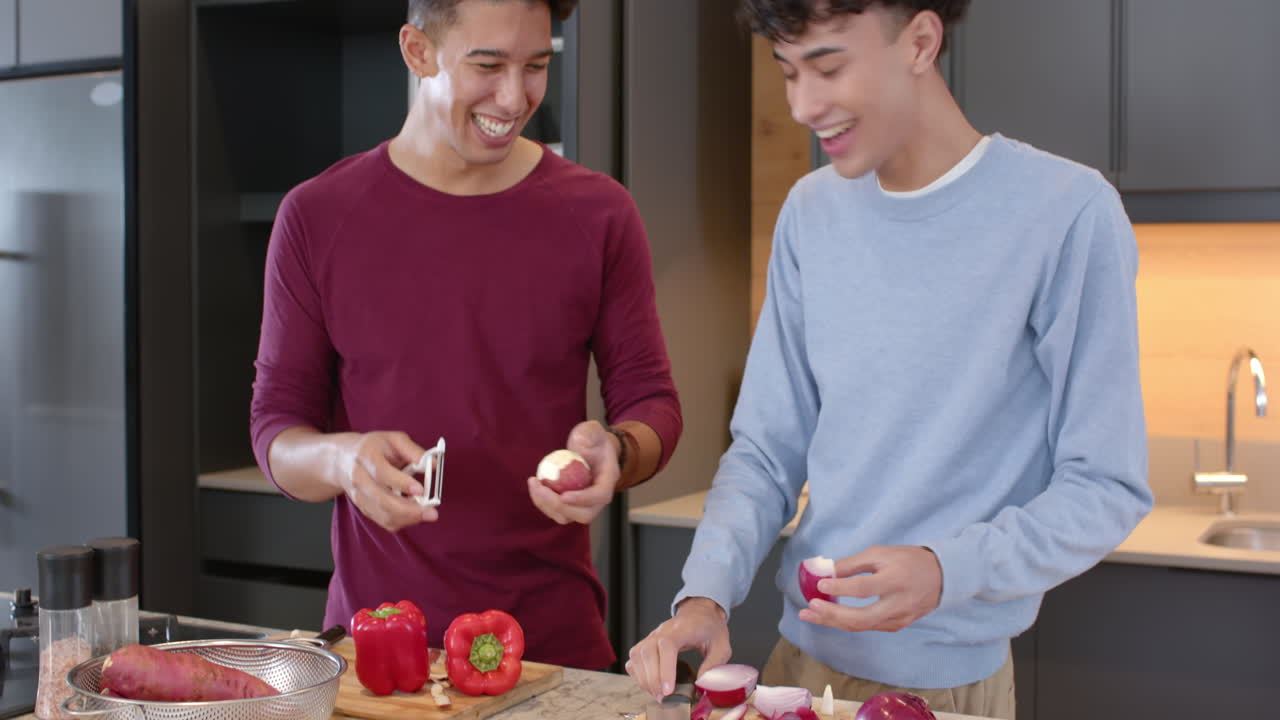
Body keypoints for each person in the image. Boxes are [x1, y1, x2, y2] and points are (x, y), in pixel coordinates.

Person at [625, 1, 1151, 717]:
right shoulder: (811, 212)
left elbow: (1106, 485)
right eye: (787, 72)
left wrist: (945, 571)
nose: (804, 105)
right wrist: (704, 594)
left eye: (829, 66)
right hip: (797, 665)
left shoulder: (1066, 213)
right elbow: (767, 453)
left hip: (950, 689)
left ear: (921, 41)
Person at [249, 0, 682, 671]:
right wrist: (344, 461)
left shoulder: (600, 214)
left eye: (536, 66)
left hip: (554, 651)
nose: (515, 98)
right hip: (383, 657)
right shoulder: (317, 216)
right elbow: (276, 430)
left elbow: (653, 403)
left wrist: (617, 451)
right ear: (417, 51)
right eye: (489, 66)